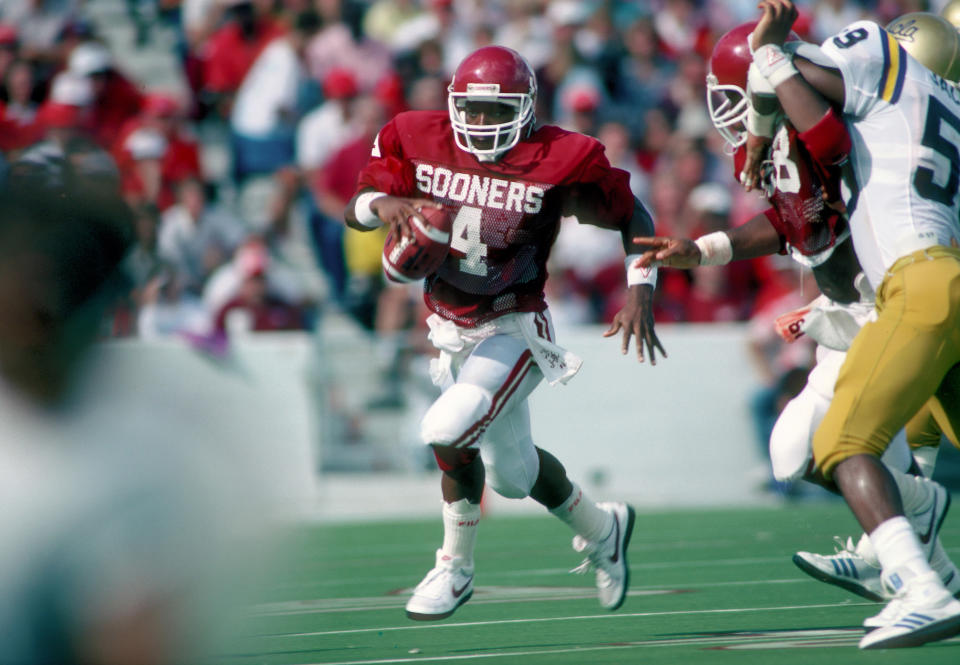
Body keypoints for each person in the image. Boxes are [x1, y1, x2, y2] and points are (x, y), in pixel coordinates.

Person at [634, 16, 960, 610]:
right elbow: (804, 223)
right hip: (886, 297)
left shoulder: (855, 124)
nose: (732, 110)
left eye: (742, 92)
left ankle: (912, 570)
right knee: (800, 453)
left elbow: (834, 199)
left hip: (896, 302)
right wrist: (708, 249)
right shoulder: (846, 124)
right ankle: (916, 543)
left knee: (850, 443)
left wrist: (776, 72)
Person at [344, 45, 664, 621]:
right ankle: (604, 528)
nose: (483, 122)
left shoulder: (561, 156)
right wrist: (387, 204)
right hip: (450, 328)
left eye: (498, 111)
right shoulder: (416, 136)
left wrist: (640, 287)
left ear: (527, 109)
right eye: (473, 109)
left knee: (447, 427)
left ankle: (454, 568)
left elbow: (631, 213)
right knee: (515, 478)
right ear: (453, 104)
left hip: (514, 322)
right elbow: (356, 206)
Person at [745, 0, 960, 649]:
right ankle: (923, 561)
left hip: (917, 284)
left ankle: (920, 586)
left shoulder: (879, 55)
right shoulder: (945, 112)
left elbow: (818, 121)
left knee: (840, 441)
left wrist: (770, 53)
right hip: (943, 277)